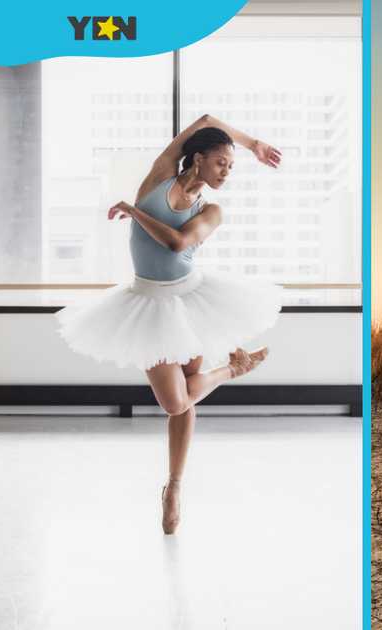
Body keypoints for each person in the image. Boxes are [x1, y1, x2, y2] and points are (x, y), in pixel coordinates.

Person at [55, 114, 284, 534]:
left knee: (183, 402)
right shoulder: (160, 176)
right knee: (175, 401)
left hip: (191, 300)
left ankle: (174, 486)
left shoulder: (212, 210)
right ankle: (232, 369)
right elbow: (206, 121)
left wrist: (131, 210)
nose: (226, 172)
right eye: (221, 163)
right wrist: (253, 144)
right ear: (197, 158)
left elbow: (177, 243)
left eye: (231, 166)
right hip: (148, 304)